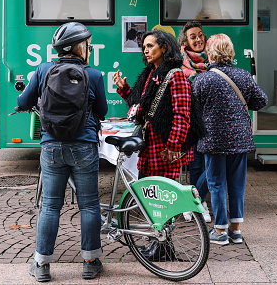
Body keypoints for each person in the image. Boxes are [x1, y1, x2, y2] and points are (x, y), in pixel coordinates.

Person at [17, 22, 108, 282]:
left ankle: (42, 265)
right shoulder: (95, 75)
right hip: (84, 145)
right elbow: (102, 111)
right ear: (81, 48)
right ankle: (90, 262)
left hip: (51, 146)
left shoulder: (43, 70)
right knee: (89, 204)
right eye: (87, 45)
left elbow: (22, 102)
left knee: (50, 206)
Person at [192, 34, 267, 245]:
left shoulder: (202, 79)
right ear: (230, 51)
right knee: (237, 184)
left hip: (213, 140)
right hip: (240, 140)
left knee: (215, 183)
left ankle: (219, 230)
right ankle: (235, 230)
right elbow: (261, 100)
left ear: (210, 52)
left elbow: (193, 111)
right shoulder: (243, 76)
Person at [113, 29, 198, 180]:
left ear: (164, 47)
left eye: (150, 46)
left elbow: (182, 116)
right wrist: (124, 89)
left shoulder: (176, 75)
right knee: (146, 193)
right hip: (149, 146)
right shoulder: (150, 74)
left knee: (163, 197)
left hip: (165, 148)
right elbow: (140, 107)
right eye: (144, 47)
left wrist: (173, 146)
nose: (146, 50)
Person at [177, 21, 211, 222]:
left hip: (213, 119)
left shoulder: (213, 59)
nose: (198, 39)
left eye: (200, 35)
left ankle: (194, 200)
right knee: (197, 164)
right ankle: (199, 203)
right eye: (193, 37)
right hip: (191, 120)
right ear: (185, 41)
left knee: (212, 164)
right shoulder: (181, 64)